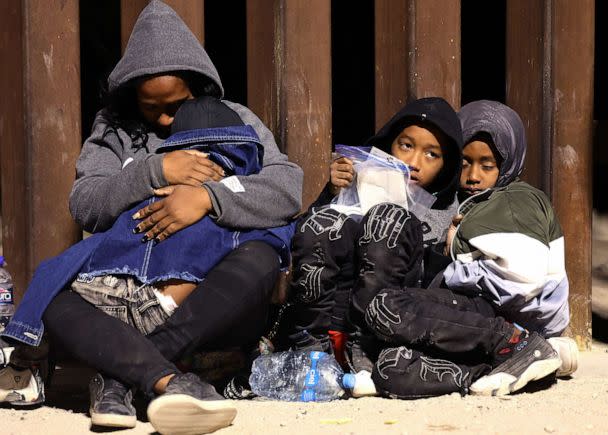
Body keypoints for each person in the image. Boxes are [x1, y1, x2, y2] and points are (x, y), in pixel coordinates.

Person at [1, 1, 302, 433]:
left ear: (198, 90)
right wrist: (154, 171)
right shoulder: (113, 131)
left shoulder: (235, 119)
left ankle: (121, 374)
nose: (164, 118)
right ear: (130, 98)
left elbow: (285, 188)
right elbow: (86, 201)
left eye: (176, 106)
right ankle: (166, 379)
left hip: (204, 299)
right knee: (54, 293)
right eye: (150, 108)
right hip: (124, 290)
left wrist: (207, 198)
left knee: (261, 256)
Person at [363, 100, 572, 399]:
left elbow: (524, 278)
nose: (473, 175)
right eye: (464, 163)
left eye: (487, 165)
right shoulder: (460, 203)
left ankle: (520, 343)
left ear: (509, 162)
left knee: (388, 307)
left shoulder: (515, 200)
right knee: (391, 368)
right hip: (471, 320)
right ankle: (517, 361)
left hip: (504, 313)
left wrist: (454, 257)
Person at [281, 97, 463, 373]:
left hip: (389, 321)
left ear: (447, 165)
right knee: (324, 222)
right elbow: (309, 240)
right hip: (332, 318)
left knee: (387, 220)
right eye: (406, 145)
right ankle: (310, 348)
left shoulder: (446, 211)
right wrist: (332, 193)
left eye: (431, 154)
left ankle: (366, 351)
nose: (414, 162)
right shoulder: (358, 187)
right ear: (389, 144)